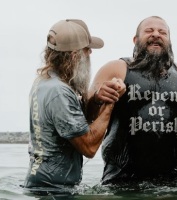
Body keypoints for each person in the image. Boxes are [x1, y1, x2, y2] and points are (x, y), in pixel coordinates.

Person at [87, 16, 177, 187]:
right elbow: (86, 115)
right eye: (149, 31)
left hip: (173, 182)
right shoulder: (116, 68)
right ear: (135, 39)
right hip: (121, 181)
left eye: (163, 32)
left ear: (169, 41)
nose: (156, 34)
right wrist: (96, 98)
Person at [23, 19, 125, 194]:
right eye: (87, 50)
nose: (90, 53)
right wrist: (111, 102)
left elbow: (75, 121)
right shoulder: (59, 92)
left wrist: (97, 99)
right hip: (54, 191)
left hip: (43, 184)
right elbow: (89, 147)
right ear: (74, 56)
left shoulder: (45, 82)